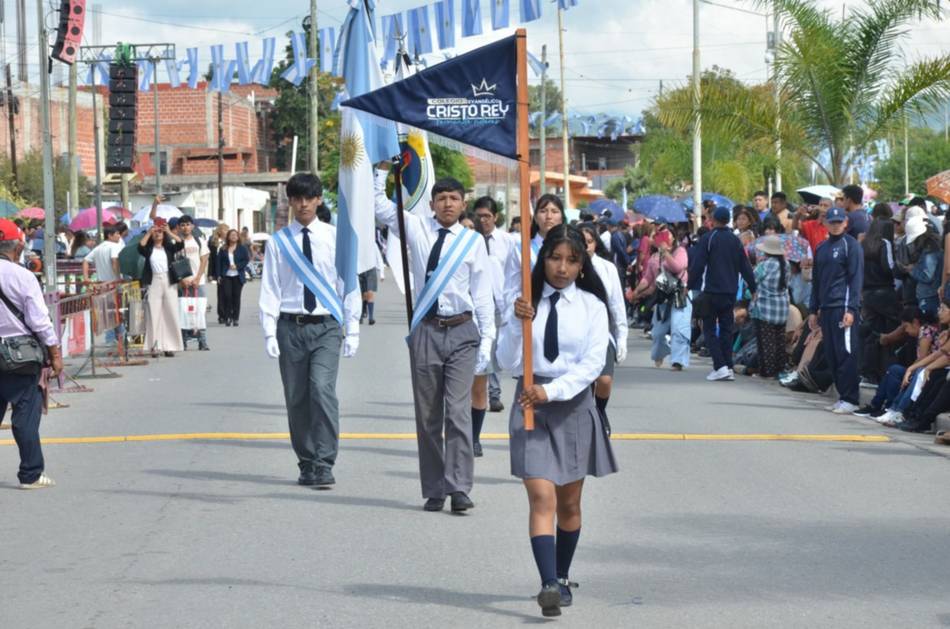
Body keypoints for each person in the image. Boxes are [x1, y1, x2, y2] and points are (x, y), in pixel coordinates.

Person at [496, 224, 618, 618]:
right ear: (542, 259)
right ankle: (548, 583)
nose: (562, 268)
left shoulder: (592, 308)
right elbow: (508, 361)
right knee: (541, 497)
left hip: (572, 406)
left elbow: (592, 365)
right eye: (554, 258)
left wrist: (554, 391)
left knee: (569, 503)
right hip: (531, 404)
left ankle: (562, 576)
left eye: (571, 260)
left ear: (582, 265)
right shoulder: (525, 304)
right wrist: (517, 323)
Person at [374, 164, 494, 513]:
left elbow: (483, 295)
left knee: (457, 413)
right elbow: (381, 208)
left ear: (463, 204)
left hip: (462, 332)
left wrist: (486, 341)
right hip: (426, 329)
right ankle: (435, 487)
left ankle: (459, 487)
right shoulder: (416, 228)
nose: (447, 204)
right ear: (432, 204)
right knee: (428, 417)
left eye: (454, 198)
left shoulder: (472, 242)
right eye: (441, 198)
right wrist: (381, 173)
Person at [259, 173, 360, 488]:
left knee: (321, 389)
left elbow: (347, 284)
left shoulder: (335, 237)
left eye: (309, 198)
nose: (303, 204)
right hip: (291, 326)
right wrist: (268, 330)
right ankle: (306, 461)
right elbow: (271, 287)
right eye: (297, 198)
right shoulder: (279, 242)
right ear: (290, 201)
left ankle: (324, 460)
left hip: (326, 327)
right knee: (297, 397)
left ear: (319, 200)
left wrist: (353, 326)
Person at [0, 219, 63, 489]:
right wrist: (55, 353)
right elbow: (39, 321)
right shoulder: (22, 276)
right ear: (19, 247)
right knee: (25, 413)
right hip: (20, 355)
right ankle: (31, 474)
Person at [688, 206, 757, 381]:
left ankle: (719, 366)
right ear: (729, 220)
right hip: (730, 291)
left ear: (713, 220)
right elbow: (745, 265)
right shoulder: (735, 240)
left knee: (709, 328)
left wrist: (688, 284)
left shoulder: (708, 238)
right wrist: (753, 287)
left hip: (712, 290)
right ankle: (728, 366)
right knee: (726, 328)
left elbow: (698, 264)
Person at [809, 206, 864, 414]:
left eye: (839, 222)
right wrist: (813, 310)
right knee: (831, 353)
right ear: (825, 223)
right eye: (832, 222)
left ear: (846, 223)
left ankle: (850, 397)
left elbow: (855, 279)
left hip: (843, 305)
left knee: (845, 352)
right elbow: (816, 281)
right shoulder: (821, 247)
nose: (835, 225)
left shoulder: (851, 246)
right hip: (826, 307)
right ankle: (842, 395)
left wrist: (851, 308)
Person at [472, 196, 514, 456]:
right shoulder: (467, 241)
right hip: (474, 307)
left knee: (493, 351)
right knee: (481, 357)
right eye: (479, 215)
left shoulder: (507, 242)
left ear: (495, 217)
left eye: (487, 215)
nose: (483, 220)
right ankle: (488, 394)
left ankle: (494, 392)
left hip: (499, 304)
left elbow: (513, 272)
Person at [580, 224, 628, 423]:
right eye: (582, 243)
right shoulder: (571, 267)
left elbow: (617, 303)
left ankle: (600, 413)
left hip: (602, 333)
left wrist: (621, 336)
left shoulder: (607, 268)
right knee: (584, 384)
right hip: (577, 334)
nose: (586, 247)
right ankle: (587, 419)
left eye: (589, 242)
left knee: (604, 380)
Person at [631, 226, 691, 370]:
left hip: (679, 295)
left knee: (679, 329)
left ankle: (678, 361)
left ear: (673, 236)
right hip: (663, 296)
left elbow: (678, 267)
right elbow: (648, 278)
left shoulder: (680, 251)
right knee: (657, 333)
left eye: (666, 234)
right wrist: (637, 291)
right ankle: (661, 352)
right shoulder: (654, 257)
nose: (663, 237)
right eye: (659, 234)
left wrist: (666, 253)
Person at [139, 220, 185, 357]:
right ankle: (155, 346)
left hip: (169, 280)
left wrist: (168, 232)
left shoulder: (168, 247)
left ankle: (169, 346)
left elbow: (180, 243)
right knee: (154, 313)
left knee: (170, 312)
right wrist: (149, 232)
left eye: (160, 232)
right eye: (156, 232)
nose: (158, 234)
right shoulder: (149, 249)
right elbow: (140, 247)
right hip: (154, 280)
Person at [750, 235, 790, 378]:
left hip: (765, 308)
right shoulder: (786, 264)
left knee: (766, 342)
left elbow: (753, 279)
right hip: (782, 308)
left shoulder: (764, 265)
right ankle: (780, 369)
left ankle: (767, 371)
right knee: (779, 340)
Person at [175, 215, 211, 351]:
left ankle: (202, 340)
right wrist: (181, 280)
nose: (185, 227)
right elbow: (173, 263)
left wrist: (197, 278)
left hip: (198, 282)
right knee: (183, 311)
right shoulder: (176, 243)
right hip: (182, 283)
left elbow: (204, 260)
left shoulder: (199, 241)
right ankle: (183, 340)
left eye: (188, 224)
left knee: (199, 311)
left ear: (192, 226)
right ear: (178, 227)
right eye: (182, 225)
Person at [217, 229, 250, 327]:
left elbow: (246, 260)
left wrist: (237, 266)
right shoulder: (223, 248)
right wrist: (218, 275)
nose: (234, 236)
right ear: (228, 237)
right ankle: (227, 317)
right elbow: (219, 263)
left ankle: (235, 318)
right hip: (226, 275)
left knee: (236, 297)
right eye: (231, 235)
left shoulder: (242, 248)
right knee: (227, 296)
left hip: (238, 276)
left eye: (235, 235)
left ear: (238, 237)